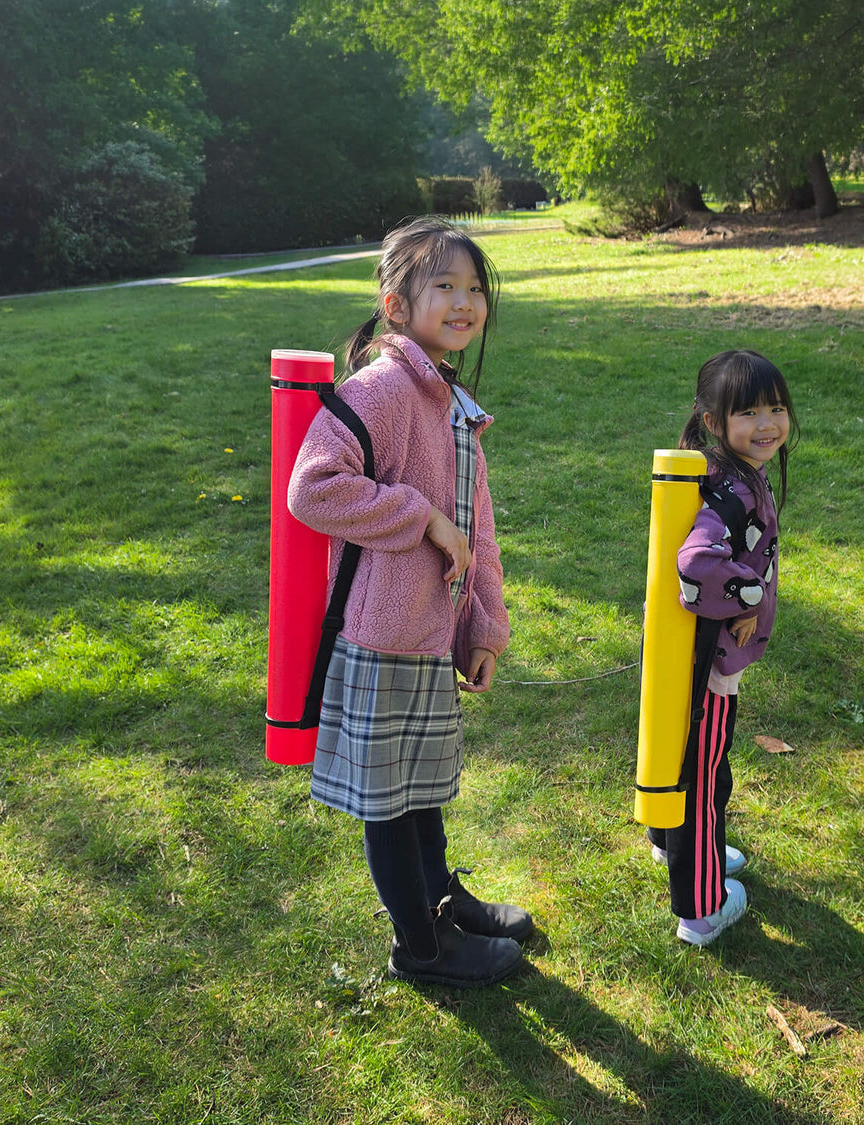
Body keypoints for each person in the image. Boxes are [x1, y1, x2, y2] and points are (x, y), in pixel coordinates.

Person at [288, 217, 531, 988]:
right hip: (382, 634)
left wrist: (483, 627)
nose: (465, 301)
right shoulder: (383, 389)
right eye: (445, 286)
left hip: (430, 633)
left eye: (475, 288)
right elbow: (313, 487)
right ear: (397, 305)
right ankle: (419, 947)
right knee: (391, 806)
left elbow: (479, 532)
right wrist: (417, 516)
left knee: (422, 789)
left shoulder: (451, 400)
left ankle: (441, 901)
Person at [648, 349, 794, 946]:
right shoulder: (728, 494)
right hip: (705, 665)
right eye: (749, 413)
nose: (767, 425)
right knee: (703, 779)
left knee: (697, 766)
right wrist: (750, 596)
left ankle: (668, 842)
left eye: (777, 409)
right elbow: (696, 564)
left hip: (695, 659)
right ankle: (701, 906)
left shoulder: (735, 476)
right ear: (713, 422)